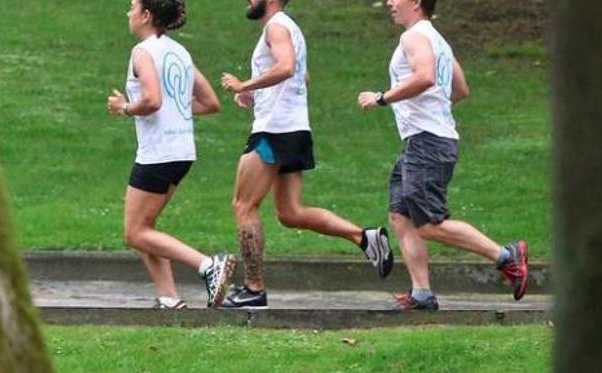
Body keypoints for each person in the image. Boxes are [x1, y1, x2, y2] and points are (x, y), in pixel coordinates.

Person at [219, 0, 393, 309]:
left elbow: (286, 67)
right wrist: (256, 93)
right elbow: (302, 76)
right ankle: (363, 237)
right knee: (290, 213)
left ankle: (254, 288)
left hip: (274, 130)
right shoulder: (290, 29)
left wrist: (244, 83)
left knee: (243, 205)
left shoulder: (276, 26)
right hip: (295, 129)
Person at [356, 0, 528, 311]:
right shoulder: (437, 40)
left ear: (417, 3)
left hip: (428, 144)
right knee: (401, 216)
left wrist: (383, 98)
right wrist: (430, 111)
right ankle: (422, 293)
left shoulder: (414, 37)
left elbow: (425, 77)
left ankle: (506, 256)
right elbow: (460, 89)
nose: (390, 3)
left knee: (429, 223)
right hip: (423, 142)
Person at [107, 0, 235, 309]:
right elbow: (210, 103)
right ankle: (169, 297)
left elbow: (151, 99)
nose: (128, 13)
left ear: (146, 16)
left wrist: (124, 107)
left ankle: (208, 265)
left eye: (132, 7)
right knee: (145, 227)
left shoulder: (143, 52)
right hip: (181, 152)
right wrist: (175, 110)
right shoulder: (179, 52)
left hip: (158, 154)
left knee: (135, 232)